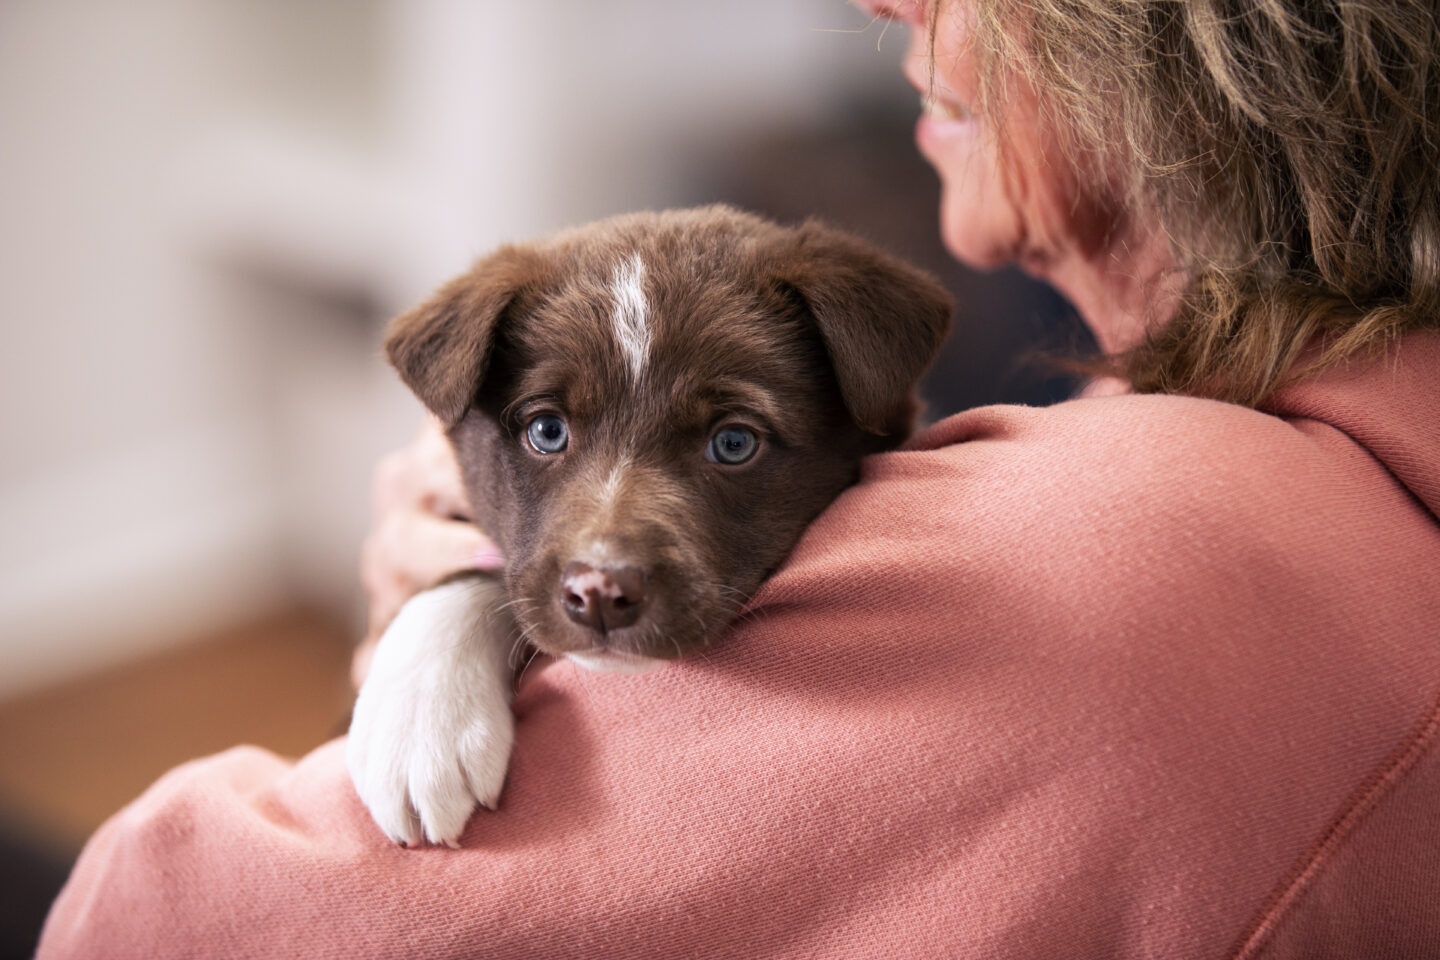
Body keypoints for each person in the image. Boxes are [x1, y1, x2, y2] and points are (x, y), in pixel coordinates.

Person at [39, 0, 1440, 956]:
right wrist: (462, 602)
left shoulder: (1111, 576)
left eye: (729, 442)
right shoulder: (1310, 450)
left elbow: (144, 920)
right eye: (546, 432)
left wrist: (421, 620)